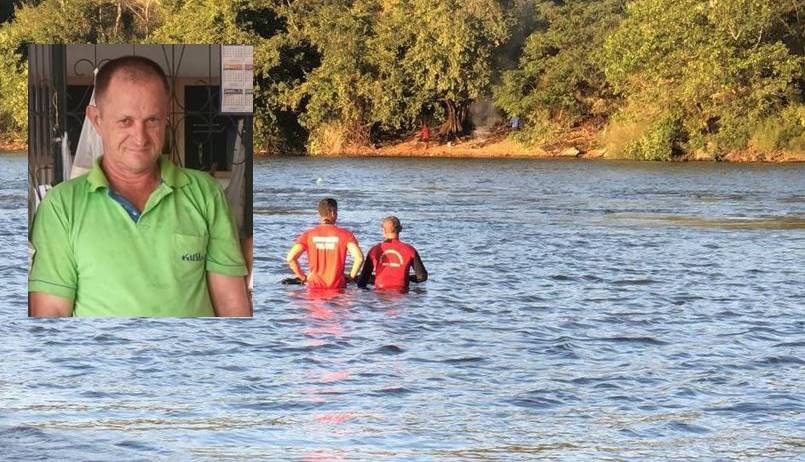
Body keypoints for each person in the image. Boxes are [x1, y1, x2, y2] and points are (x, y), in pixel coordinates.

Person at [28, 56, 251, 317]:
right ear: (96, 120)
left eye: (152, 120)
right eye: (125, 121)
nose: (140, 137)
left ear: (166, 118)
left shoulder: (205, 193)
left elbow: (231, 303)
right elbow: (51, 313)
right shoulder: (61, 205)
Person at [286, 198, 364, 290]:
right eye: (337, 212)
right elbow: (359, 258)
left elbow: (291, 258)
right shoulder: (346, 234)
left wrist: (303, 277)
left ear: (319, 214)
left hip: (314, 288)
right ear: (333, 212)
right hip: (337, 288)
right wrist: (351, 277)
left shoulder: (308, 235)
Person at [357, 216, 427, 291]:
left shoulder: (374, 249)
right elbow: (422, 277)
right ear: (400, 229)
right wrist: (406, 278)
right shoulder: (410, 250)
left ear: (383, 230)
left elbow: (362, 281)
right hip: (402, 294)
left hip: (379, 295)